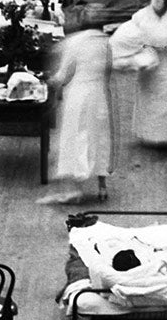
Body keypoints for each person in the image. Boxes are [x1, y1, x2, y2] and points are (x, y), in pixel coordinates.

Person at [41, 29, 116, 205]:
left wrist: (48, 81)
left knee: (75, 138)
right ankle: (102, 186)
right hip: (99, 95)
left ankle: (75, 188)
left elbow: (62, 74)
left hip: (79, 95)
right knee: (100, 138)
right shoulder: (105, 42)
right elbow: (108, 69)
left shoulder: (74, 42)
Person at [110, 0, 167, 147]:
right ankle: (150, 135)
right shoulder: (141, 15)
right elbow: (128, 35)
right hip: (150, 64)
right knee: (150, 101)